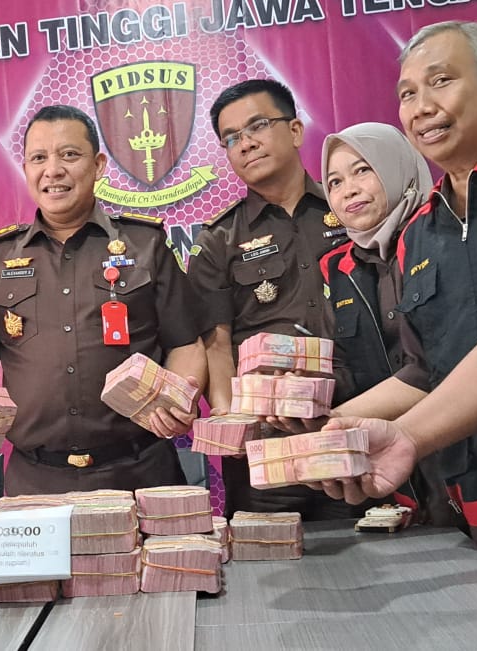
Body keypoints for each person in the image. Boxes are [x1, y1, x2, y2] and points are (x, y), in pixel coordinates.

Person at [317, 20, 477, 614]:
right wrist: (334, 425)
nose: (422, 107)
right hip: (466, 501)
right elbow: (424, 369)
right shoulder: (418, 233)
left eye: (441, 81)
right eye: (408, 93)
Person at [0, 104, 209, 494]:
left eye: (69, 155)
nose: (53, 170)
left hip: (141, 473)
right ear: (26, 168)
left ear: (98, 165)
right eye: (39, 158)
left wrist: (179, 399)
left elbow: (186, 344)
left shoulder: (145, 244)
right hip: (35, 482)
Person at [186, 79, 356, 519]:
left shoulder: (350, 207)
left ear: (295, 130)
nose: (245, 144)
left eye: (258, 126)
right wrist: (231, 424)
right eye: (231, 138)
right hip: (267, 445)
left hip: (354, 425)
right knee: (267, 553)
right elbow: (216, 345)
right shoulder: (218, 239)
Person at [315, 123, 460, 525]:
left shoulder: (443, 235)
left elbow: (435, 367)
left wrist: (329, 425)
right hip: (397, 474)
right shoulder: (338, 268)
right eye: (334, 181)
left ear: (396, 166)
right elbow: (342, 366)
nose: (349, 190)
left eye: (362, 170)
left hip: (472, 451)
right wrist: (298, 400)